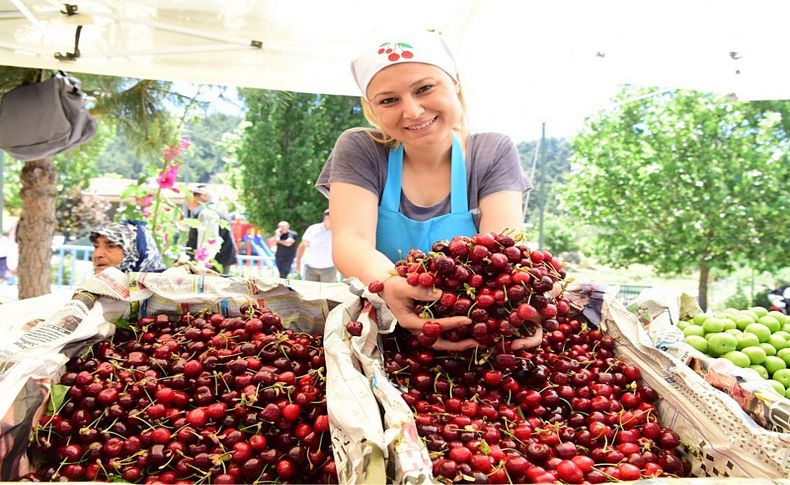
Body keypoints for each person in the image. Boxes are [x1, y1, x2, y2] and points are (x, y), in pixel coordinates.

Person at [316, 31, 533, 351]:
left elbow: (504, 251)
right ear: (372, 108)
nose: (413, 111)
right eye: (389, 100)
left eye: (425, 88)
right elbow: (351, 241)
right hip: (381, 325)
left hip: (470, 326)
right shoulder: (362, 148)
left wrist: (521, 307)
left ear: (455, 83)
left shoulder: (491, 152)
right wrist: (390, 284)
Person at [184, 184, 238, 273]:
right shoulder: (218, 210)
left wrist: (201, 264)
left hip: (211, 265)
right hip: (222, 260)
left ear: (202, 197)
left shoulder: (206, 213)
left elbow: (209, 241)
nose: (187, 201)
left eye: (189, 197)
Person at [90, 221, 166, 274]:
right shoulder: (90, 293)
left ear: (134, 253)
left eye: (111, 246)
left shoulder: (165, 294)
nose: (97, 254)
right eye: (96, 246)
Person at [295, 209, 337, 282]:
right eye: (327, 217)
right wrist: (298, 263)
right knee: (309, 292)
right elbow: (302, 246)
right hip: (310, 268)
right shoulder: (313, 229)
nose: (329, 220)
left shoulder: (338, 231)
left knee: (328, 292)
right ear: (324, 218)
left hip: (329, 269)